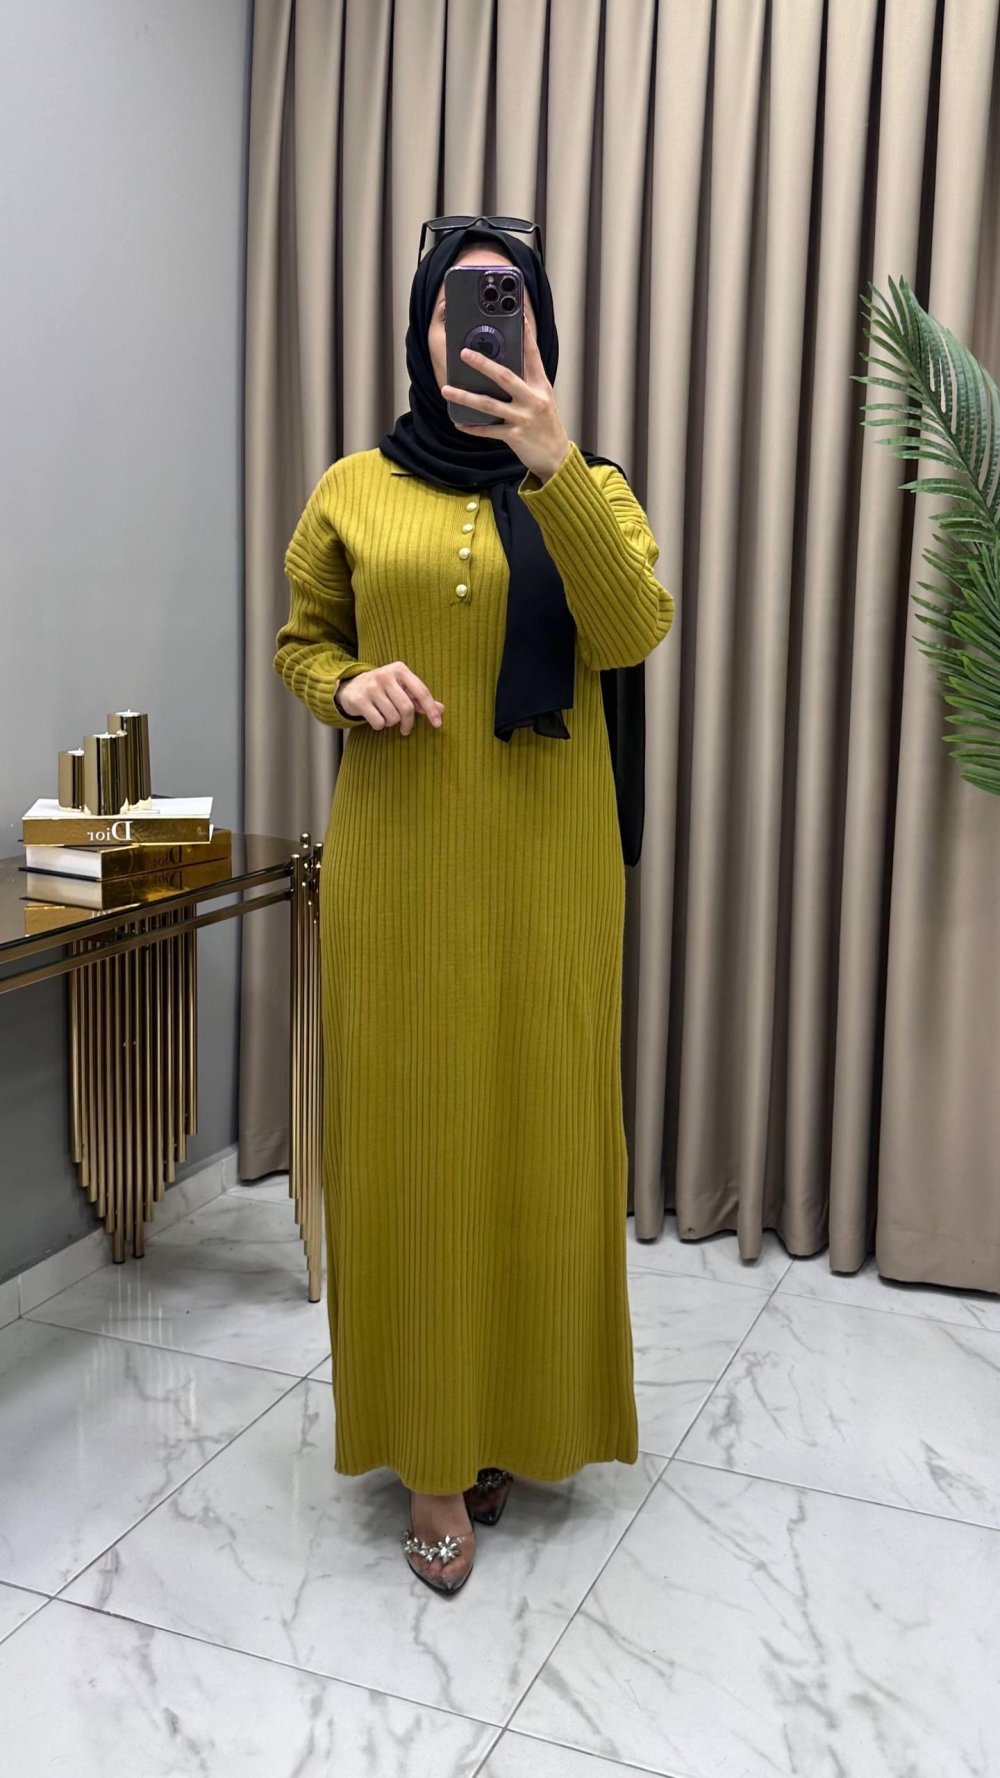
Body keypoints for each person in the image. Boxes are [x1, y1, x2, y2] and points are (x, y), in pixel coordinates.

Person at [273, 217, 674, 1597]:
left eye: (506, 306)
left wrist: (553, 465)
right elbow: (304, 641)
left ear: (539, 332)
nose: (479, 329)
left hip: (548, 878)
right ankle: (433, 1458)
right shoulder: (350, 487)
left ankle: (512, 1414)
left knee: (535, 1140)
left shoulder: (593, 486)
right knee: (413, 1150)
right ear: (421, 331)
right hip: (399, 872)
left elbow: (631, 628)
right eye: (458, 307)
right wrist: (348, 686)